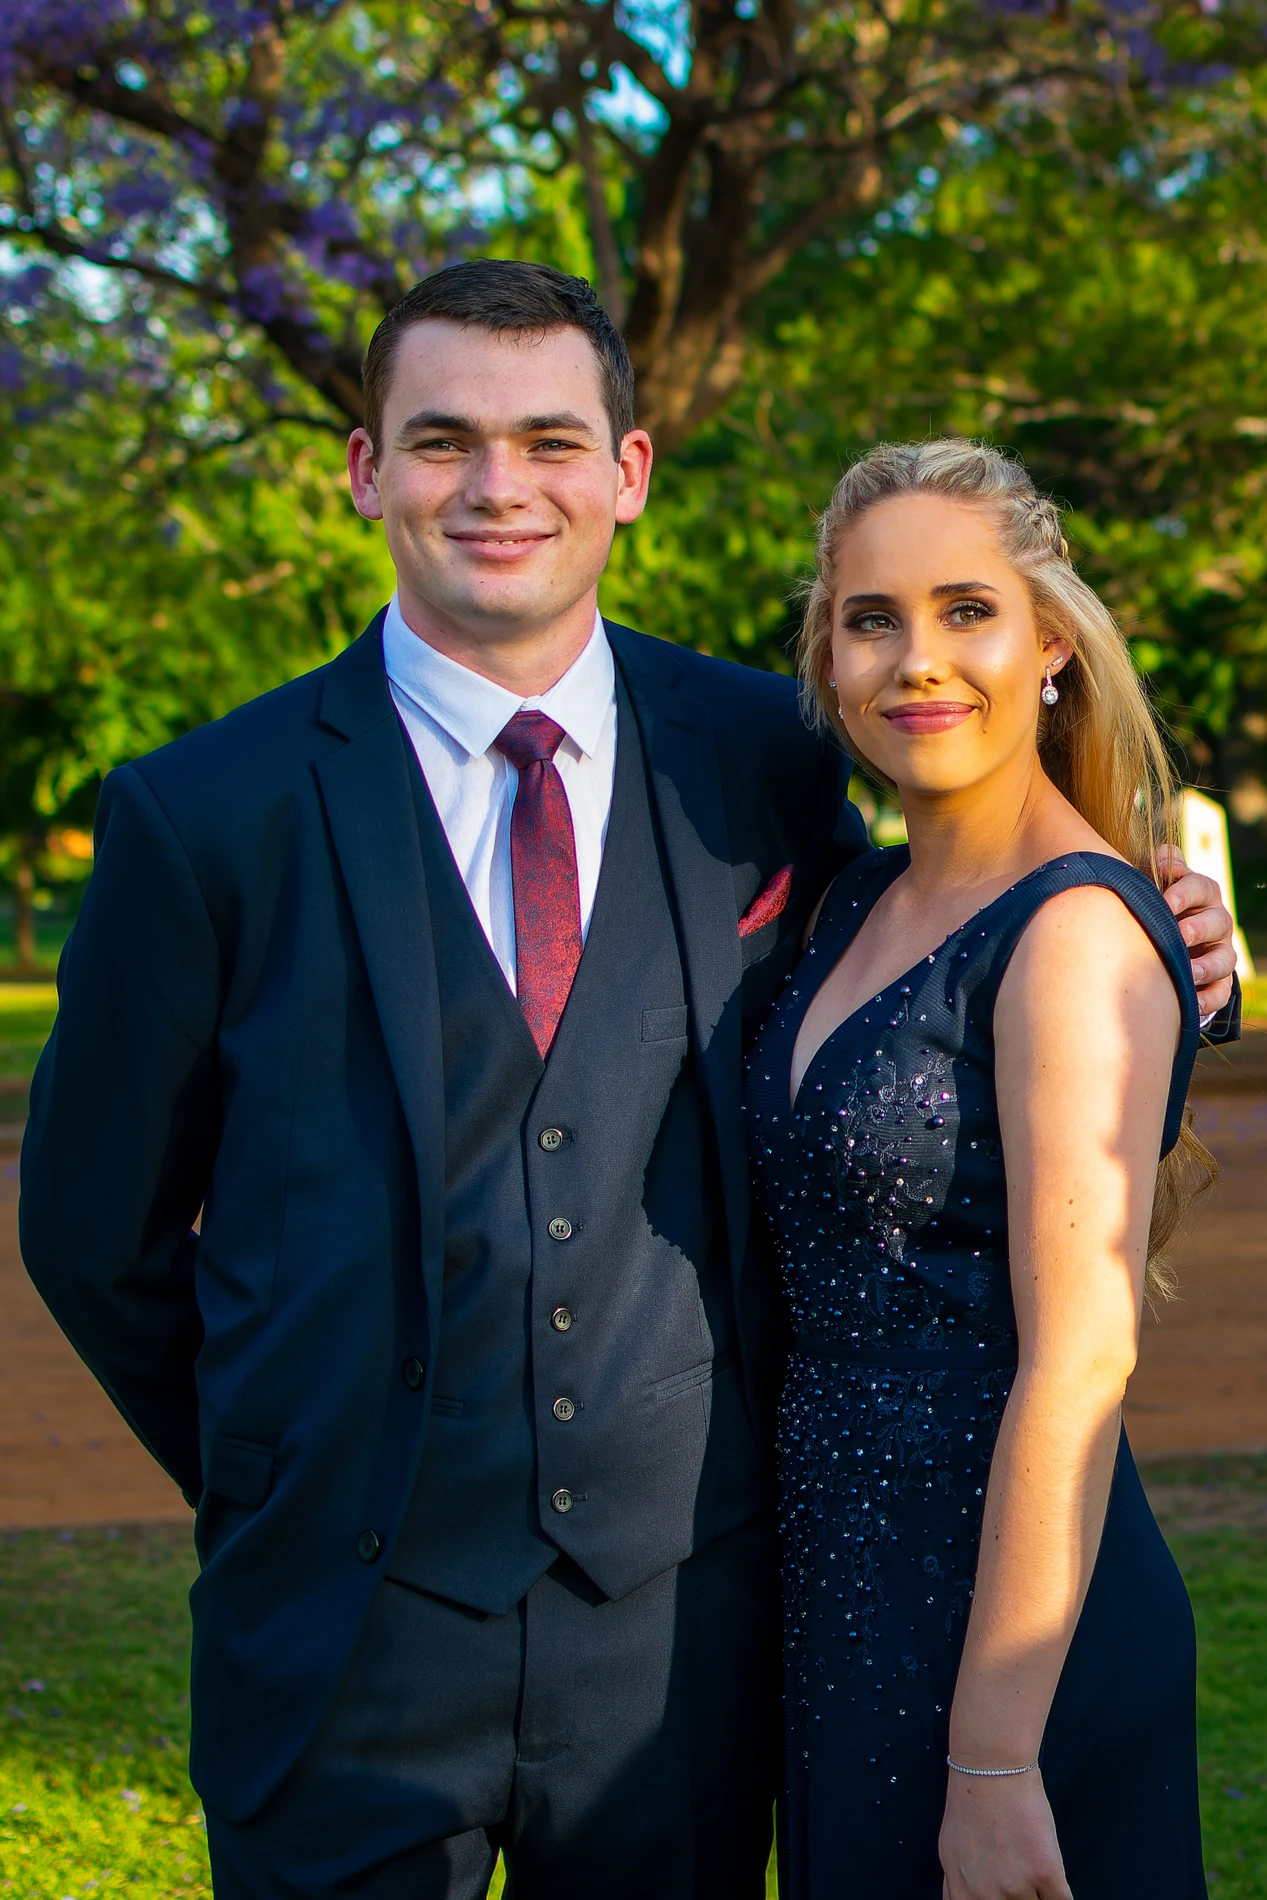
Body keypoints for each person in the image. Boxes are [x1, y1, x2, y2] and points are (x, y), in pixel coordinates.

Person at [19, 270, 1232, 1900]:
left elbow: (978, 956)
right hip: (339, 1652)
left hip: (686, 1659)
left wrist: (1167, 948)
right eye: (441, 439)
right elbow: (94, 1230)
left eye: (548, 439)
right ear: (365, 469)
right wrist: (284, 1471)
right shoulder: (200, 816)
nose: (498, 486)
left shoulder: (767, 759)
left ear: (628, 472)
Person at [745, 439, 1217, 1900]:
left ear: (1051, 647)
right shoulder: (854, 898)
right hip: (846, 1599)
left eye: (966, 611)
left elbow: (1080, 1358)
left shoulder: (1073, 931)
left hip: (1008, 1634)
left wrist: (994, 1758)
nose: (915, 661)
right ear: (825, 657)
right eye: (870, 619)